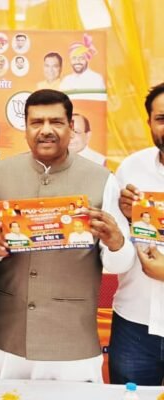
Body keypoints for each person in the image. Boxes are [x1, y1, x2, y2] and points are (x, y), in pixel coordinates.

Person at [0, 89, 135, 382]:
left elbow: (120, 264)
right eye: (36, 122)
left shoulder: (102, 179)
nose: (46, 130)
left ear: (71, 127)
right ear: (25, 128)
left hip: (73, 340)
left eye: (56, 122)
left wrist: (116, 242)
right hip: (8, 335)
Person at [112, 82, 164, 386]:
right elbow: (115, 241)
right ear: (149, 123)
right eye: (162, 119)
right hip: (134, 322)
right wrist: (123, 214)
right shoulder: (131, 169)